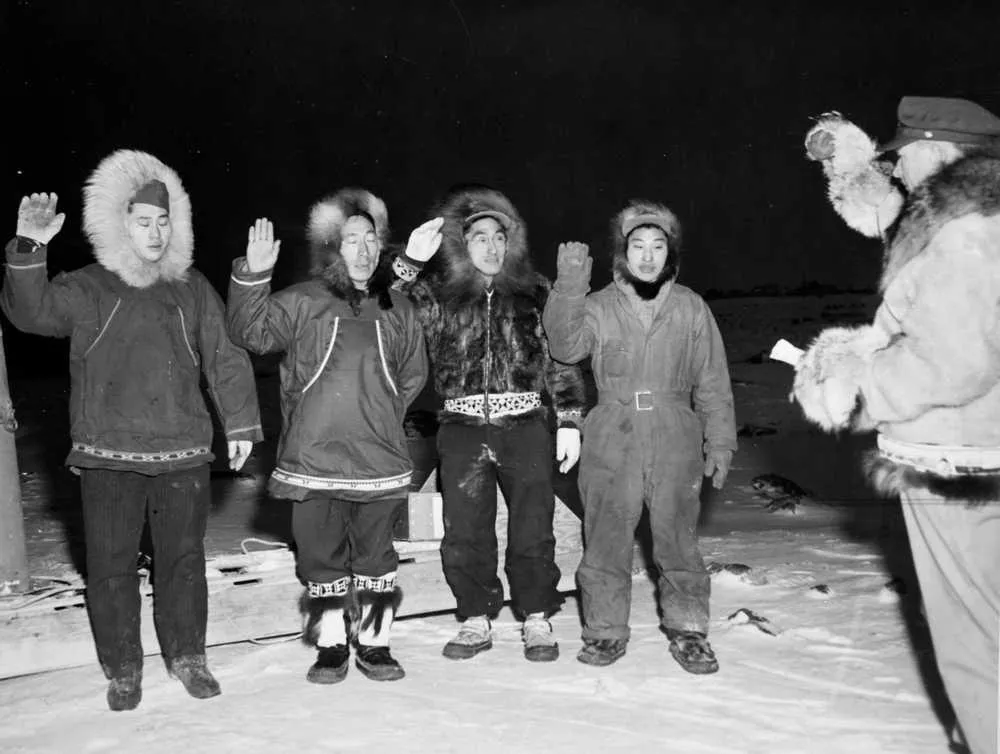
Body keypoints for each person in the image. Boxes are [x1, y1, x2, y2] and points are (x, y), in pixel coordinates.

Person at [0, 150, 263, 711]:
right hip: (108, 454)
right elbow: (31, 313)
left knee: (184, 562)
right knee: (111, 565)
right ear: (119, 225)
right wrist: (29, 248)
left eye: (164, 221)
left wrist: (240, 423)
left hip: (182, 452)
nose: (155, 232)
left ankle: (188, 655)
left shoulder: (192, 289)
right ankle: (122, 667)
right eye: (143, 221)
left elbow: (226, 356)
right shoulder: (90, 287)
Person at [795, 96, 1000, 754]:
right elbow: (893, 217)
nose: (900, 168)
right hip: (971, 449)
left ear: (939, 150)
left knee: (976, 645)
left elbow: (955, 359)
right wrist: (851, 164)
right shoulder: (971, 213)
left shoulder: (965, 230)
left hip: (956, 460)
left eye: (903, 154)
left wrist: (858, 383)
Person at [227, 189, 428, 684]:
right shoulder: (301, 301)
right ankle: (332, 643)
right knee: (320, 558)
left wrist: (377, 414)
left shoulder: (398, 307)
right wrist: (252, 276)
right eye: (350, 240)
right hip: (313, 458)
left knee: (378, 557)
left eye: (371, 240)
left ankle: (376, 644)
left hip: (378, 458)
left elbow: (412, 375)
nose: (363, 250)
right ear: (332, 250)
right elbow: (250, 333)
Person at [542, 200, 736, 673]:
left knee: (677, 539)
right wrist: (569, 285)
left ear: (670, 252)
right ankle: (605, 632)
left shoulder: (690, 307)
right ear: (622, 251)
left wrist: (721, 440)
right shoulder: (599, 305)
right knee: (605, 537)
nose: (647, 256)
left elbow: (712, 380)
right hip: (613, 429)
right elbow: (565, 346)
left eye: (657, 246)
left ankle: (689, 630)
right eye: (637, 246)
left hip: (676, 431)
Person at [394, 185, 585, 662]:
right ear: (463, 243)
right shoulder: (439, 296)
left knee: (533, 525)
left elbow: (560, 357)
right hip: (460, 427)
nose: (491, 247)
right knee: (465, 529)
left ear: (511, 242)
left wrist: (568, 419)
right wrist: (410, 264)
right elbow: (384, 309)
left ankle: (537, 616)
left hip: (524, 424)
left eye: (500, 237)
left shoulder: (535, 292)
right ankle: (475, 618)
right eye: (479, 237)